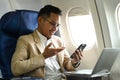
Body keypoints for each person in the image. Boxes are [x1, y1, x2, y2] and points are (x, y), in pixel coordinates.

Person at [11, 5, 83, 80]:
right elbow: (16, 68)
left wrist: (74, 61)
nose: (55, 29)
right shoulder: (25, 40)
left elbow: (67, 65)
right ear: (40, 20)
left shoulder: (58, 41)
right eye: (52, 24)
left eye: (57, 25)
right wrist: (43, 56)